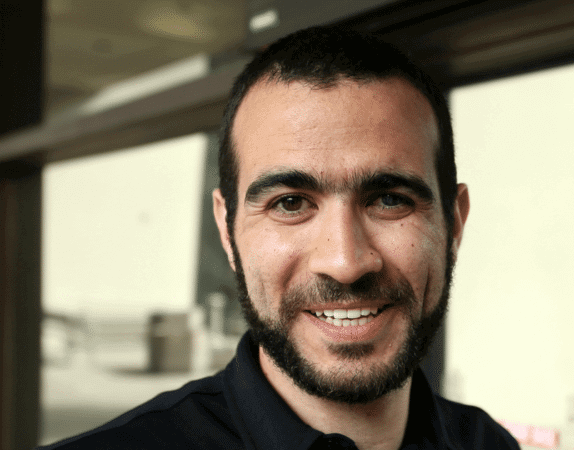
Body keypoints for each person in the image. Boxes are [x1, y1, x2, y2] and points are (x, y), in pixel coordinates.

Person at [40, 26, 520, 450]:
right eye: (290, 203)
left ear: (454, 225)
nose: (344, 262)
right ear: (227, 230)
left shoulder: (489, 444)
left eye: (390, 200)